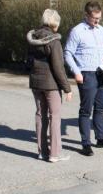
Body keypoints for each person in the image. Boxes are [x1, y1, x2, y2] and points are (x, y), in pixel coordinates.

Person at [64, 1, 103, 156]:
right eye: (95, 18)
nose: (97, 21)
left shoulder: (102, 30)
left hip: (102, 72)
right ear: (87, 15)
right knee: (86, 110)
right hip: (86, 73)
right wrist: (76, 72)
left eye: (99, 18)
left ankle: (101, 139)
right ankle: (86, 144)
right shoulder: (77, 31)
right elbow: (67, 53)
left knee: (100, 108)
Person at [27, 9, 73, 163]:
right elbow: (58, 68)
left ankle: (42, 152)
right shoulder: (54, 41)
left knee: (40, 115)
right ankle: (55, 153)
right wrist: (67, 88)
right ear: (55, 23)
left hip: (35, 82)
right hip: (51, 84)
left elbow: (28, 62)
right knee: (55, 116)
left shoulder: (32, 39)